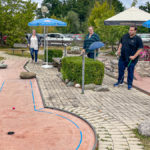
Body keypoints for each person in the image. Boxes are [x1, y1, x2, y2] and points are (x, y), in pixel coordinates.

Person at [114, 26, 143, 90]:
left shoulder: (138, 39)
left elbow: (140, 49)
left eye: (132, 30)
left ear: (135, 31)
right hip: (123, 57)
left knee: (130, 71)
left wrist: (134, 56)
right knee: (121, 69)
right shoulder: (125, 36)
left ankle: (129, 84)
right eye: (129, 30)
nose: (130, 31)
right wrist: (119, 49)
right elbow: (121, 43)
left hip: (131, 59)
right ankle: (120, 82)